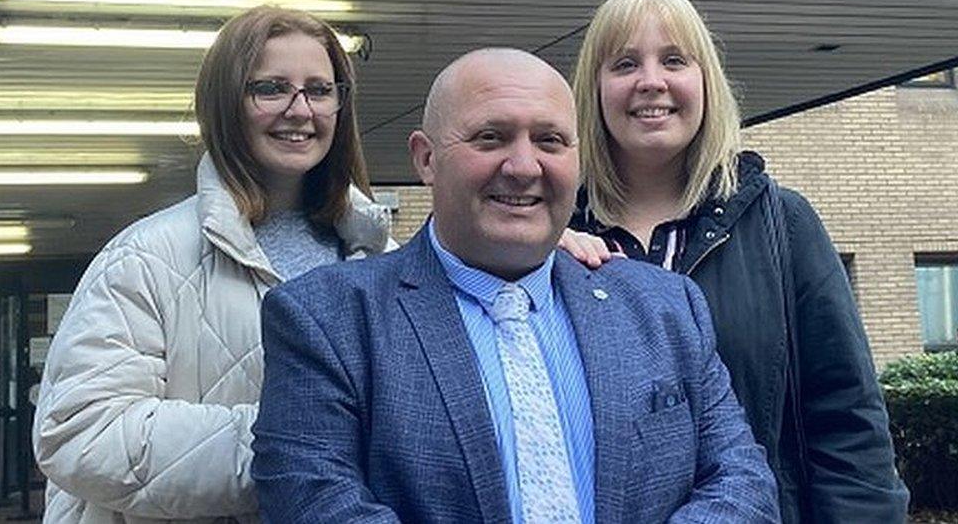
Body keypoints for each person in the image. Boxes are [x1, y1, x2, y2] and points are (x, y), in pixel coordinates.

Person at [252, 48, 780, 523]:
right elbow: (314, 502)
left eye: (549, 140)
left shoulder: (665, 307)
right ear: (426, 159)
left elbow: (743, 485)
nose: (524, 166)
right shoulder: (326, 320)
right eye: (491, 137)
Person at [31, 6, 394, 523]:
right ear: (225, 104)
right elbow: (77, 432)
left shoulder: (383, 257)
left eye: (319, 89)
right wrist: (287, 446)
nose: (300, 109)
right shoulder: (145, 258)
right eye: (270, 88)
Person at [563, 0, 909, 522]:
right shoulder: (551, 237)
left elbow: (849, 423)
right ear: (594, 88)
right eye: (625, 63)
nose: (651, 81)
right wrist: (535, 256)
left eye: (674, 60)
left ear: (705, 81)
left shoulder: (781, 224)